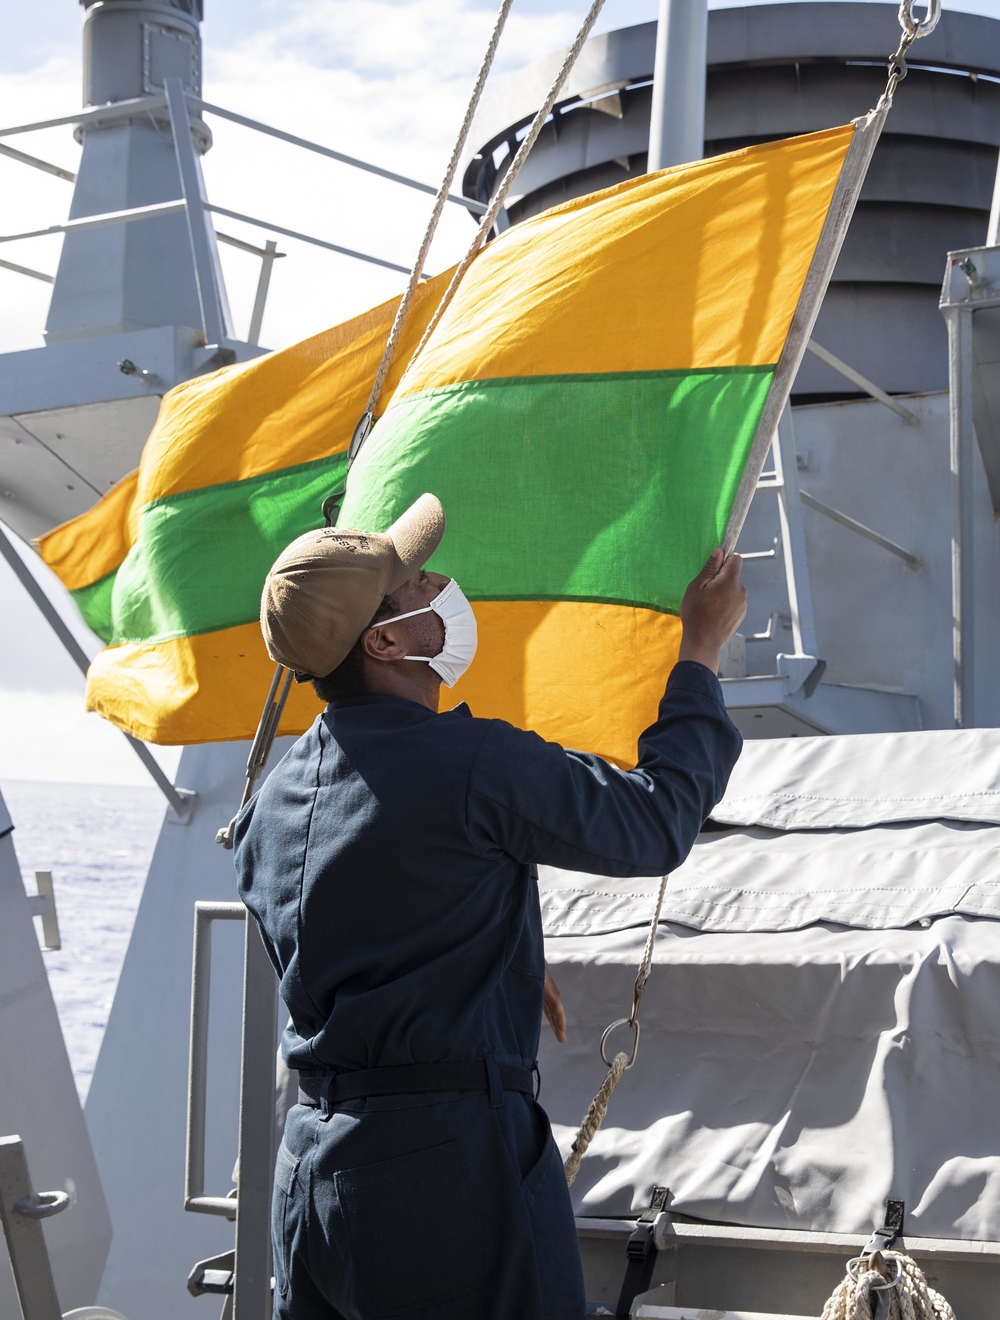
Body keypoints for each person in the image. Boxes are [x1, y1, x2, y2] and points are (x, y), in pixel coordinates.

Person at [234, 492, 746, 1320]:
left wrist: (504, 953)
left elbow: (355, 934)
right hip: (443, 1178)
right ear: (388, 641)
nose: (440, 582)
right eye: (416, 583)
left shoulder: (271, 801)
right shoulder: (470, 762)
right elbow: (654, 824)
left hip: (311, 1181)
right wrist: (700, 650)